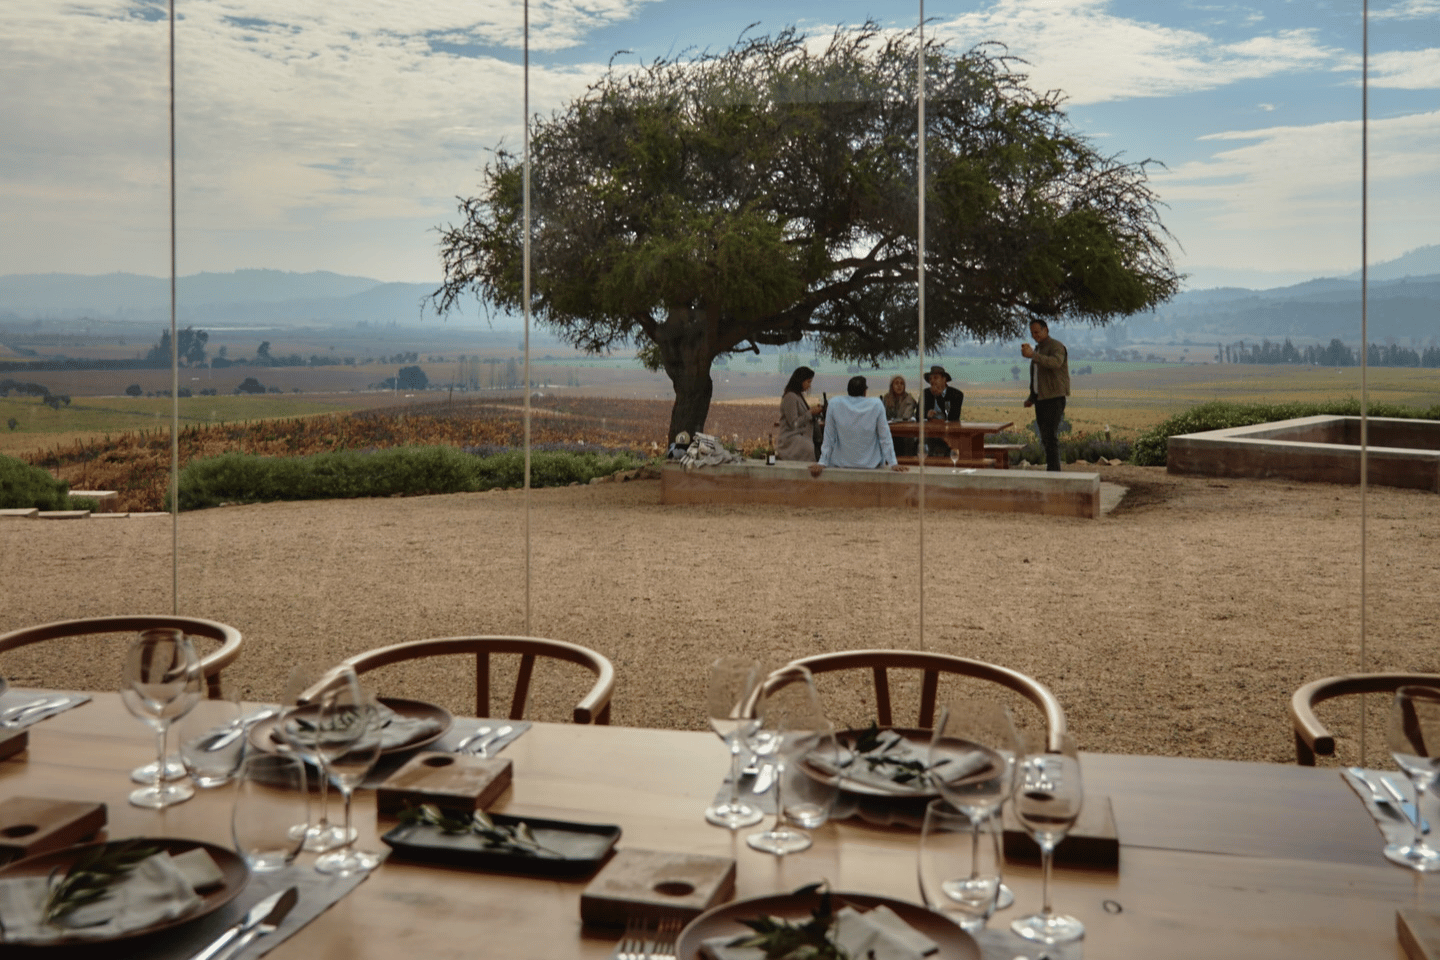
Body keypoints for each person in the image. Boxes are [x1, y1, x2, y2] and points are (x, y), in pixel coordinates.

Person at [808, 376, 908, 476]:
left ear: (848, 391)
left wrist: (822, 462)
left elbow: (829, 436)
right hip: (870, 465)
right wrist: (893, 463)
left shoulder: (834, 403)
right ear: (865, 391)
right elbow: (885, 437)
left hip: (841, 465)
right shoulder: (876, 404)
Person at [1022, 318, 1071, 471]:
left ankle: (1054, 471)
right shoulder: (1038, 349)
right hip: (1040, 400)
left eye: (1036, 332)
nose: (1034, 335)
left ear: (1046, 330)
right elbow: (1036, 376)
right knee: (1044, 436)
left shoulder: (1056, 346)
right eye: (1032, 333)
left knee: (1050, 436)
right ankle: (1052, 469)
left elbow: (1056, 363)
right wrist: (1032, 397)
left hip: (1054, 399)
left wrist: (1033, 356)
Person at [776, 366, 823, 462]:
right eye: (808, 382)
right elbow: (794, 424)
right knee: (811, 450)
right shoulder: (790, 397)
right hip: (792, 441)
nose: (809, 386)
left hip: (802, 439)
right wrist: (810, 412)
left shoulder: (797, 396)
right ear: (800, 381)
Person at [920, 365, 964, 458]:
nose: (932, 381)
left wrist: (939, 396)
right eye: (930, 379)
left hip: (949, 431)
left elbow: (953, 416)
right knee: (922, 444)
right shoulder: (926, 393)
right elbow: (917, 415)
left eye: (936, 378)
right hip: (930, 431)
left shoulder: (956, 394)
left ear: (944, 380)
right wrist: (926, 414)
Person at [882, 375, 918, 457]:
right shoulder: (886, 398)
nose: (899, 386)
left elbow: (906, 416)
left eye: (902, 384)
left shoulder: (909, 399)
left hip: (905, 433)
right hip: (890, 432)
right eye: (896, 383)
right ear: (892, 386)